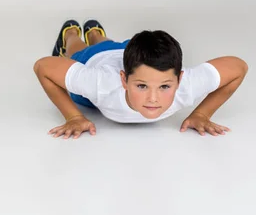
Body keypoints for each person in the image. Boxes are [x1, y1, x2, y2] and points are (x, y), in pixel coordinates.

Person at [33, 19, 248, 139]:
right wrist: (73, 117)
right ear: (123, 80)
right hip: (97, 59)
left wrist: (202, 113)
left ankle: (95, 32)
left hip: (130, 52)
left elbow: (239, 67)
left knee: (109, 43)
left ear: (179, 80)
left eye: (165, 86)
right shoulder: (99, 83)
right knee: (77, 50)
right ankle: (71, 33)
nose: (153, 98)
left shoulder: (187, 86)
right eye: (142, 86)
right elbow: (43, 66)